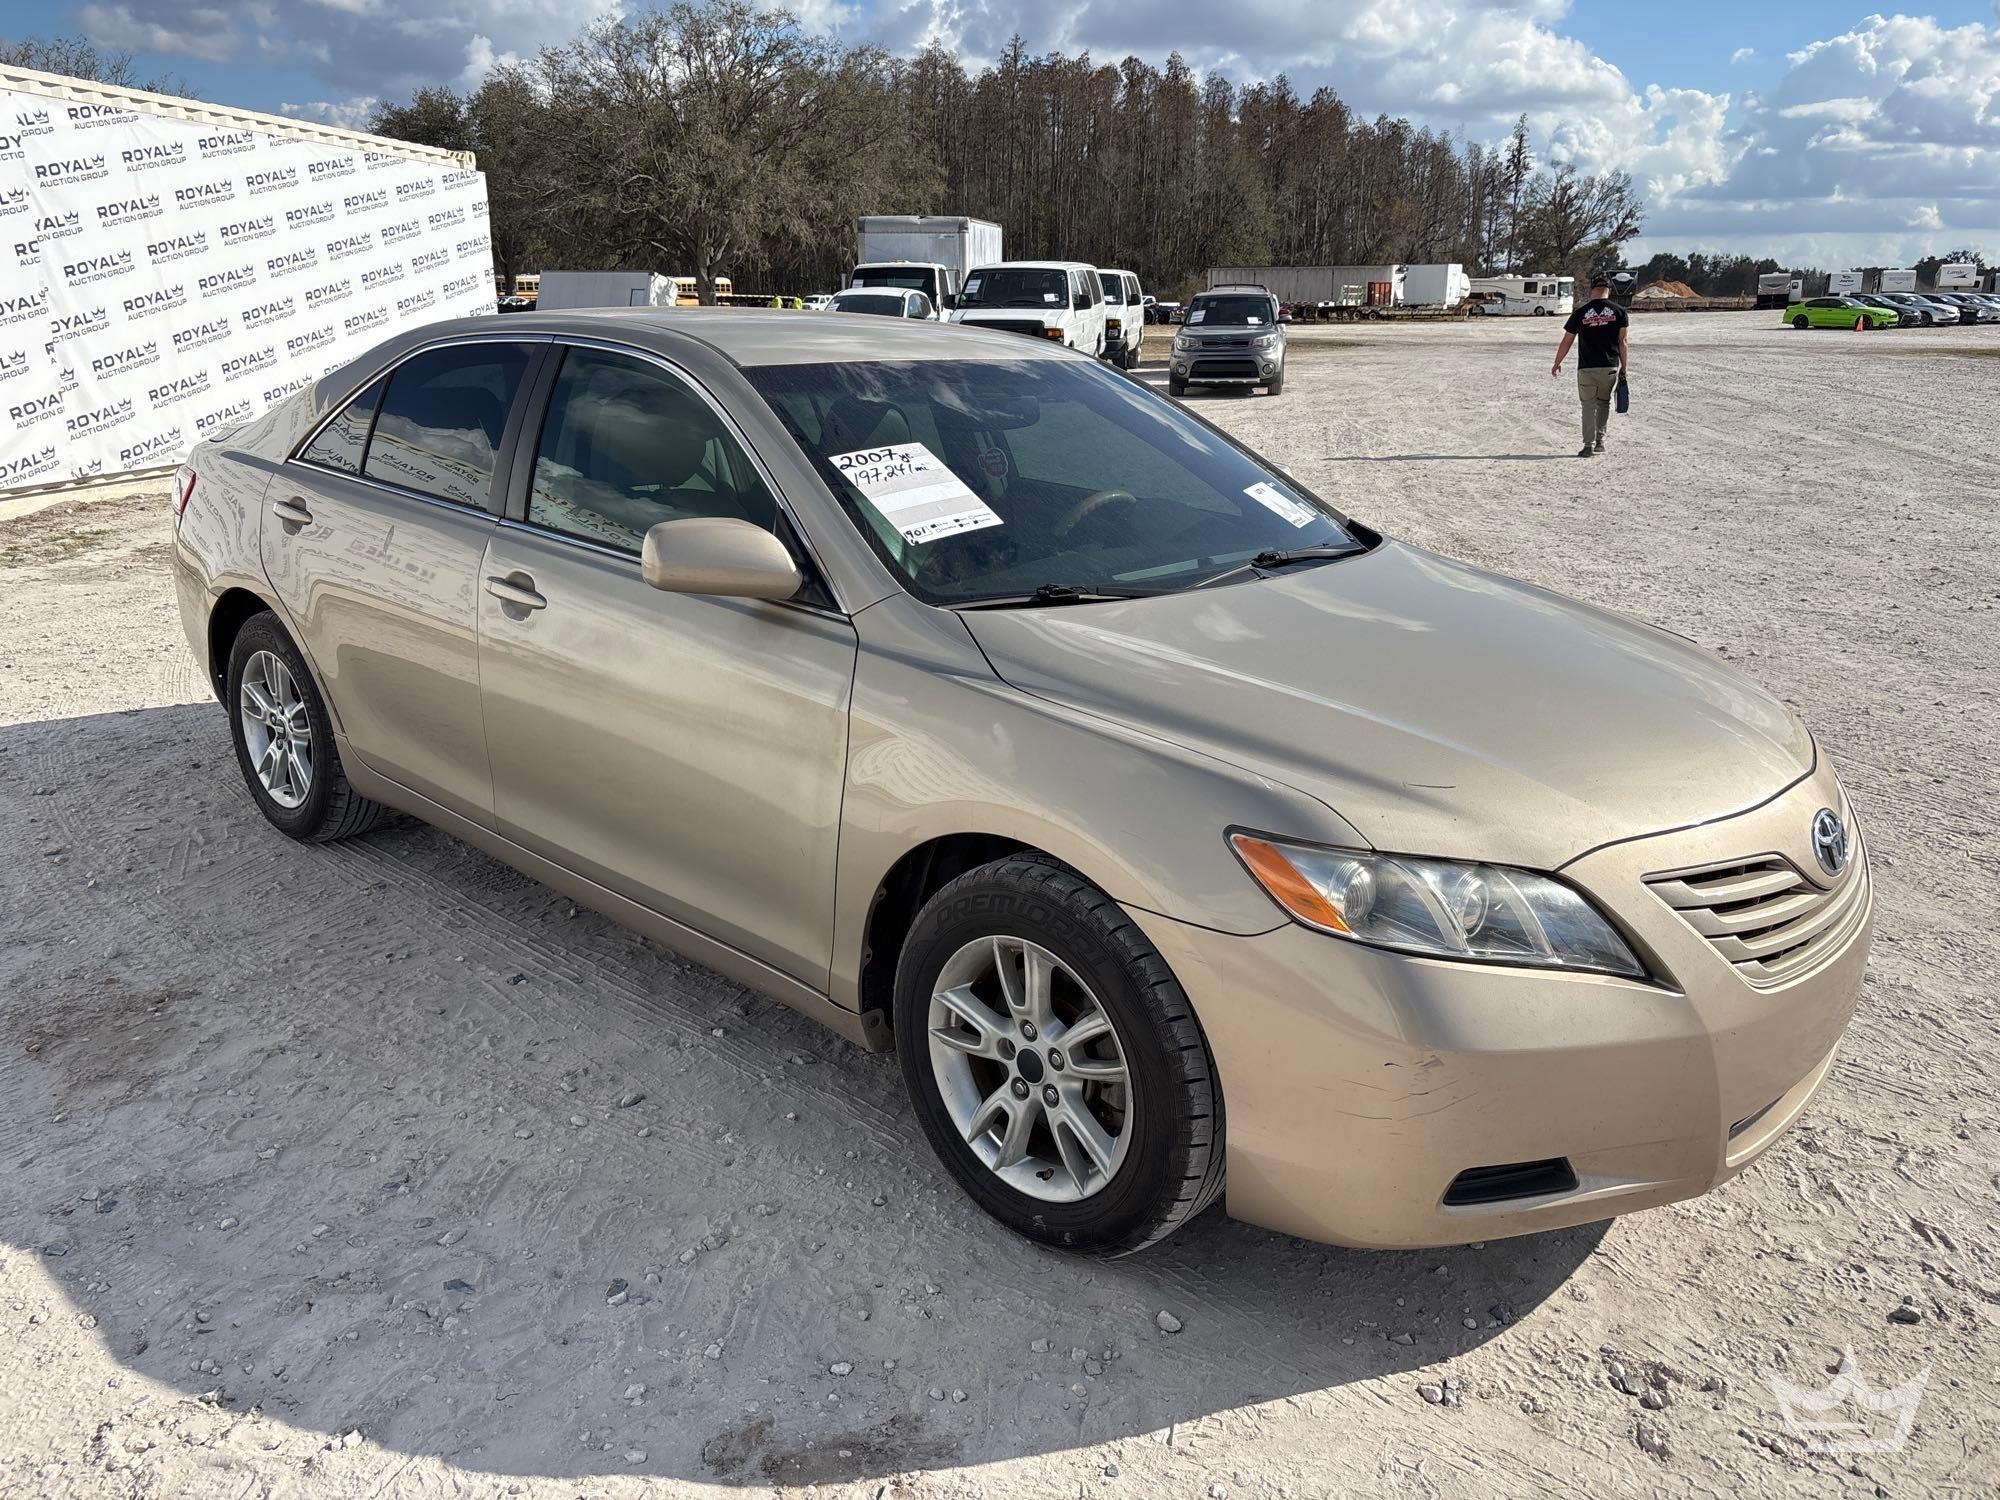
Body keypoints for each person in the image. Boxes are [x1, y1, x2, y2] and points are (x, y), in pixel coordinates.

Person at [1551, 275, 1629, 457]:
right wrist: (1624, 367)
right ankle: (1600, 442)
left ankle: (1588, 445)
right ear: (1609, 290)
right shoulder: (1619, 312)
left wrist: (1557, 362)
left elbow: (1567, 340)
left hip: (1586, 367)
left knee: (1588, 406)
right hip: (1609, 366)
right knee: (1603, 403)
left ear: (1591, 290)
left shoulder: (1580, 313)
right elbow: (1623, 341)